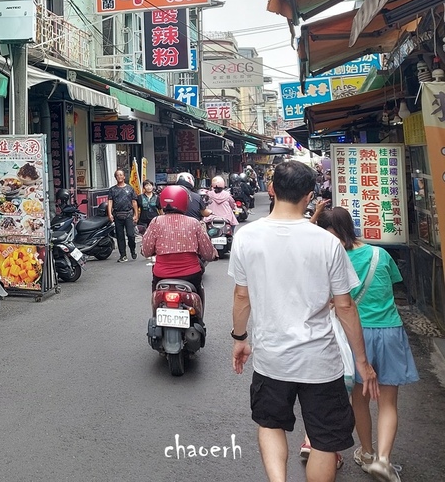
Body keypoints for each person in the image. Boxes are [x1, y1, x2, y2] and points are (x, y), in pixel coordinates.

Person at [230, 159, 379, 482]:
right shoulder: (327, 242)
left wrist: (240, 338)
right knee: (325, 441)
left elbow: (242, 296)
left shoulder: (247, 236)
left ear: (271, 189)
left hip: (272, 358)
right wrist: (362, 361)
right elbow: (346, 307)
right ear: (309, 195)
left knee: (271, 425)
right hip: (320, 362)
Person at [319, 207, 416, 482]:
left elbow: (332, 300)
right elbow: (393, 287)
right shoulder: (380, 254)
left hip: (356, 336)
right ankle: (384, 460)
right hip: (390, 332)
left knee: (359, 399)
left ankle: (367, 452)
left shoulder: (333, 260)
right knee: (388, 402)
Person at [141, 184, 217, 307]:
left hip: (161, 275)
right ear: (185, 202)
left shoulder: (155, 222)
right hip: (190, 275)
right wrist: (213, 255)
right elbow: (208, 254)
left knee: (157, 298)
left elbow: (146, 251)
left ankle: (156, 315)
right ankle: (199, 320)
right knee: (198, 292)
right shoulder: (194, 223)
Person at [106, 169, 139, 263]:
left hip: (128, 214)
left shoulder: (130, 188)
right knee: (120, 236)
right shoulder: (112, 189)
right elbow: (110, 201)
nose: (119, 177)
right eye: (117, 175)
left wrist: (136, 214)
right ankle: (123, 255)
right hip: (117, 215)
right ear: (115, 177)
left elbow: (134, 202)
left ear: (124, 177)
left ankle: (132, 249)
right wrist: (110, 214)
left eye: (121, 175)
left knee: (130, 235)